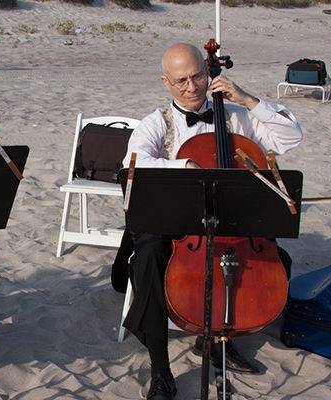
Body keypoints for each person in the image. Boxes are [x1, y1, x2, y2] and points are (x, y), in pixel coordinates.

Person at [113, 43, 302, 400]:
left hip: (231, 220)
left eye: (198, 75)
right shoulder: (157, 123)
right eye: (181, 80)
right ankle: (161, 369)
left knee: (273, 258)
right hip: (177, 225)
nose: (192, 86)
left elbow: (290, 137)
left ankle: (217, 339)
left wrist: (248, 99)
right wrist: (182, 166)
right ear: (165, 82)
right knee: (149, 257)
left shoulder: (235, 115)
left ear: (208, 70)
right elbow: (131, 165)